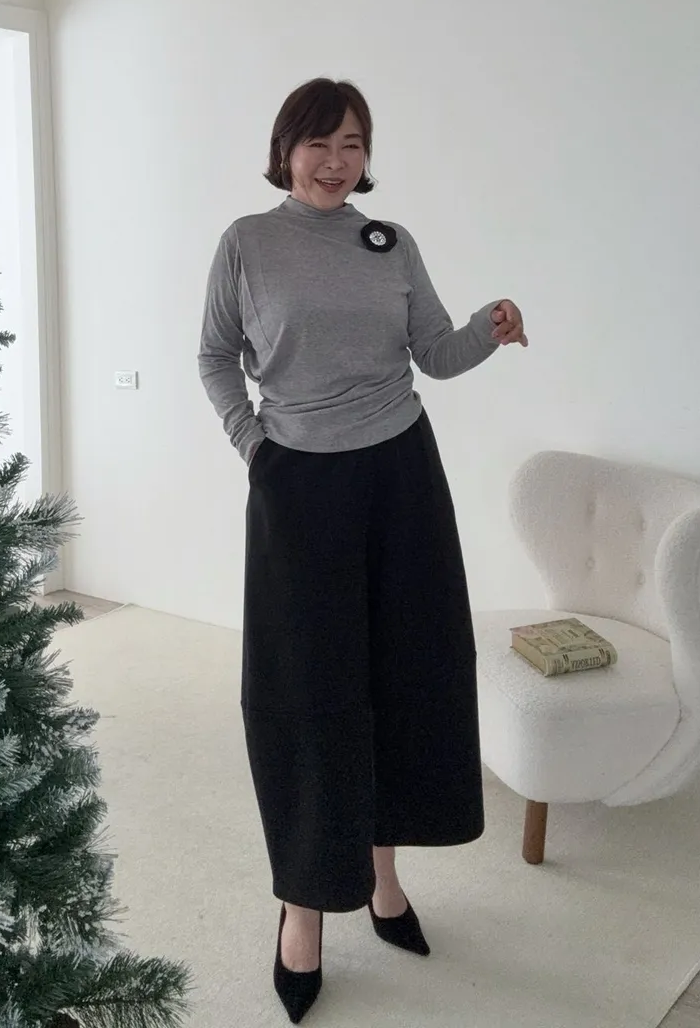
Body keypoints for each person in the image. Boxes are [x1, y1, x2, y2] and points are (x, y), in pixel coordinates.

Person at [197, 77, 527, 1023]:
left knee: (405, 674)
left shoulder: (391, 242)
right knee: (305, 692)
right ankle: (303, 907)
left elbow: (435, 354)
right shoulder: (247, 243)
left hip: (401, 474)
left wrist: (490, 326)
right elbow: (214, 355)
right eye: (319, 143)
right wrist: (254, 446)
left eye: (352, 144)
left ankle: (384, 879)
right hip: (299, 483)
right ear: (286, 151)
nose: (336, 161)